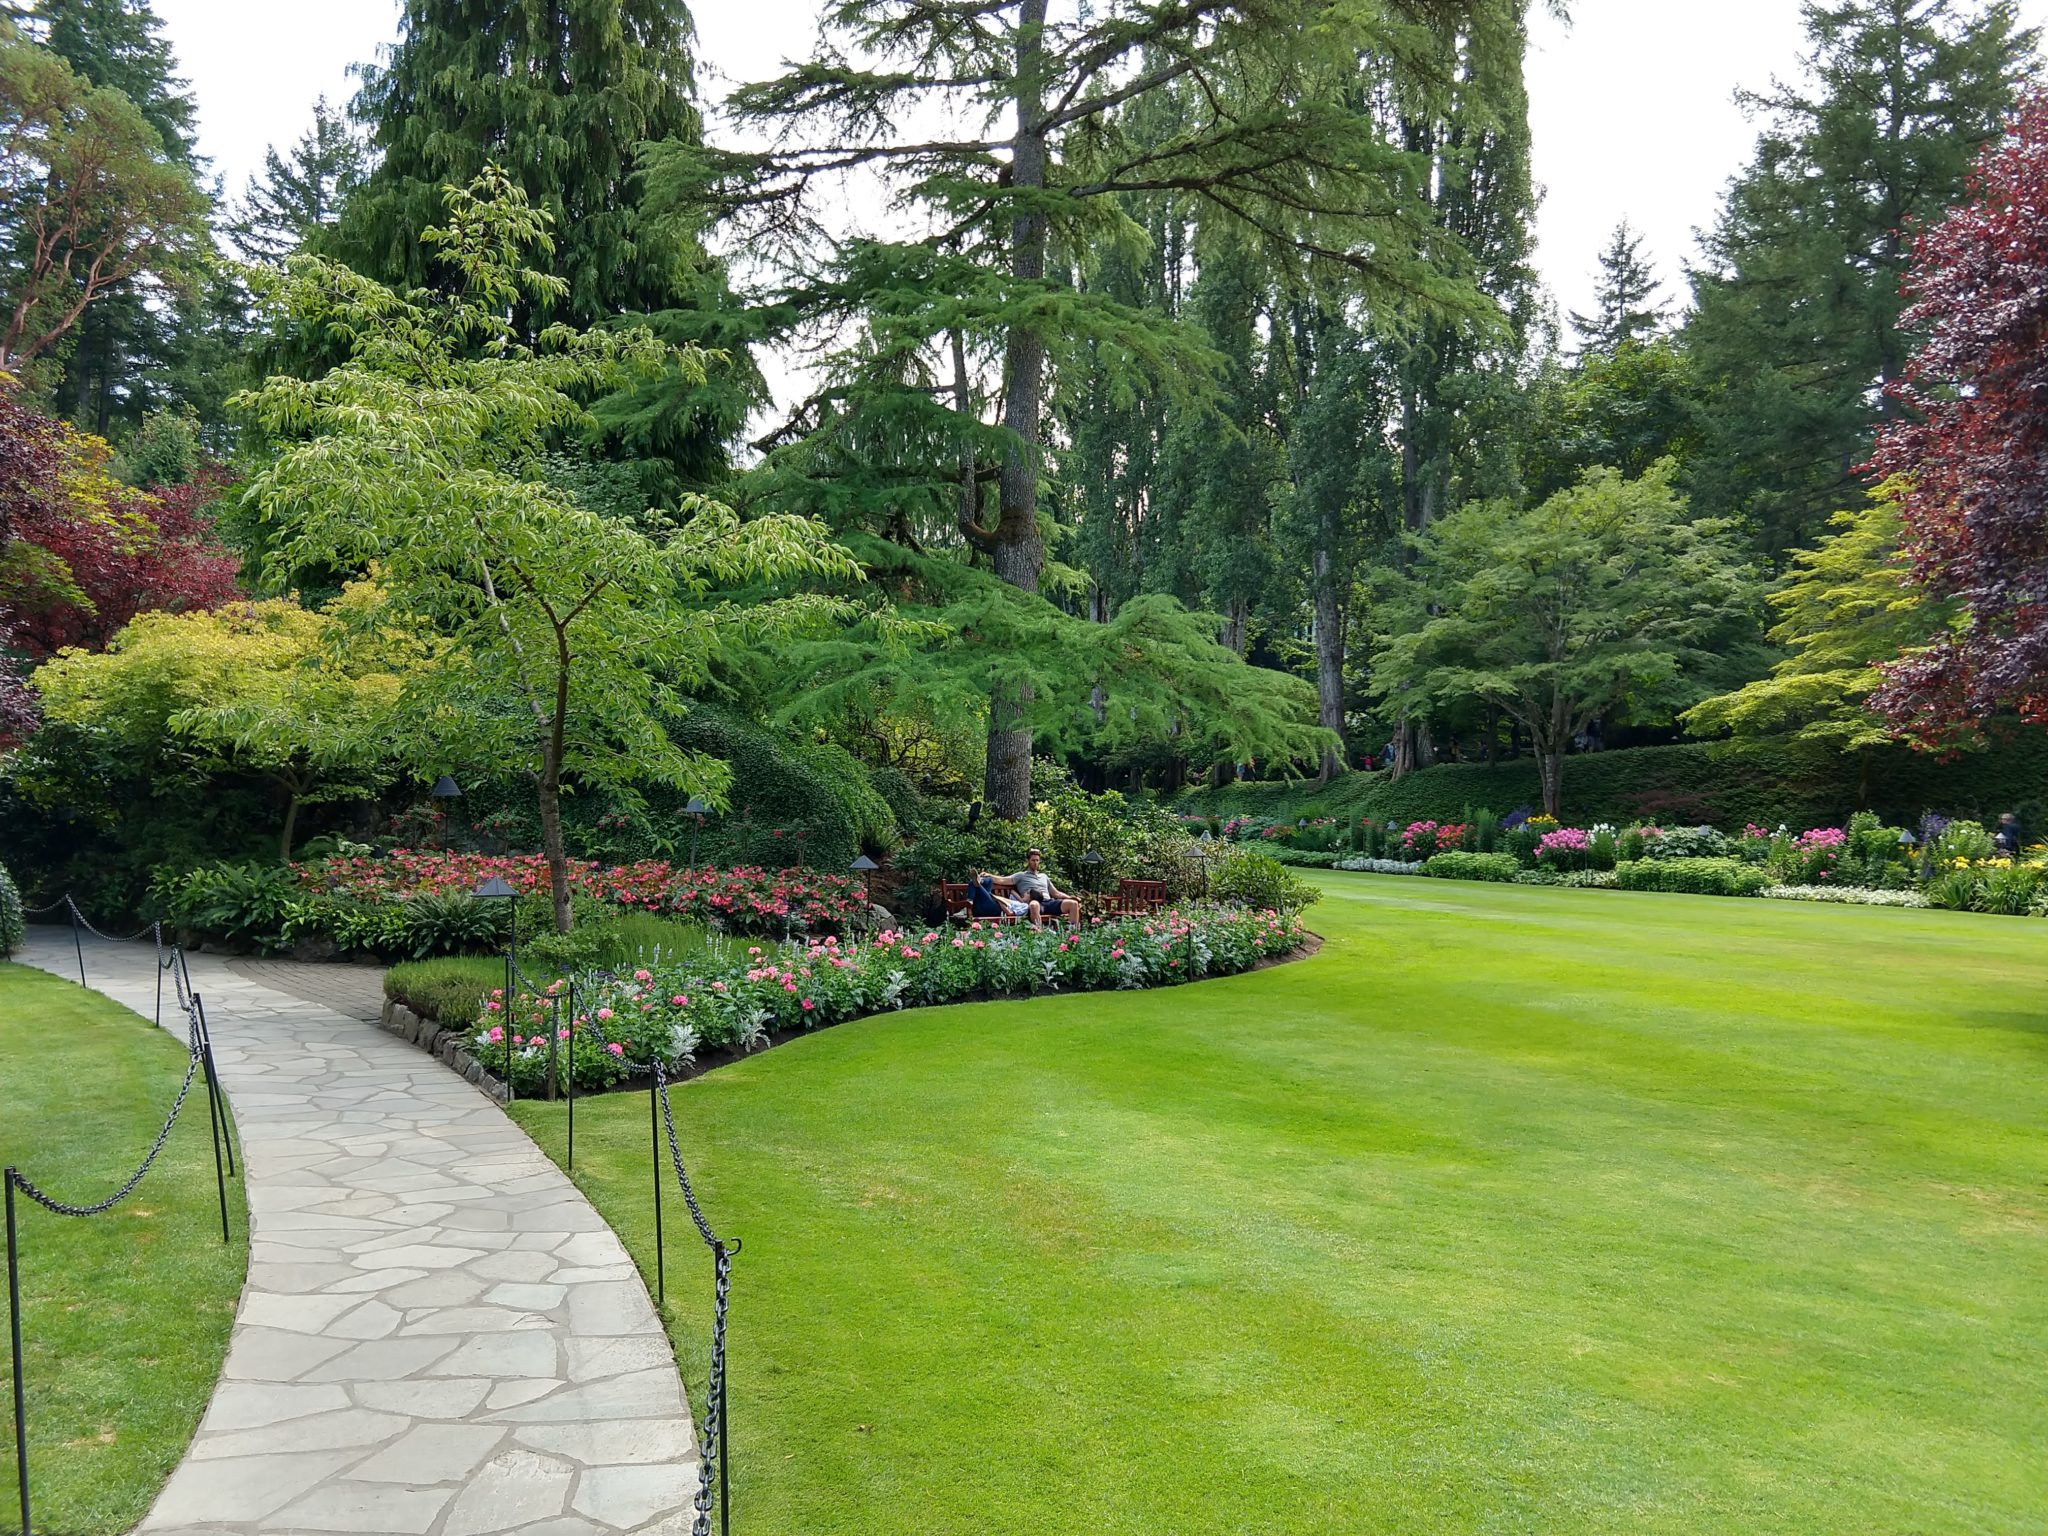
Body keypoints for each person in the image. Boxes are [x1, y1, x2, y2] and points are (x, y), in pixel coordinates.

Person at [1005, 848, 1081, 926]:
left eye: (1037, 860)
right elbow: (1001, 880)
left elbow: (1056, 893)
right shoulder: (1020, 876)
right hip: (1035, 902)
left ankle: (1073, 932)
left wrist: (1071, 898)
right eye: (1033, 860)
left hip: (1048, 902)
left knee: (1073, 903)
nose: (1035, 863)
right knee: (1034, 905)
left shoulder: (1044, 876)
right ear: (1028, 861)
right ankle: (1039, 932)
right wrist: (991, 876)